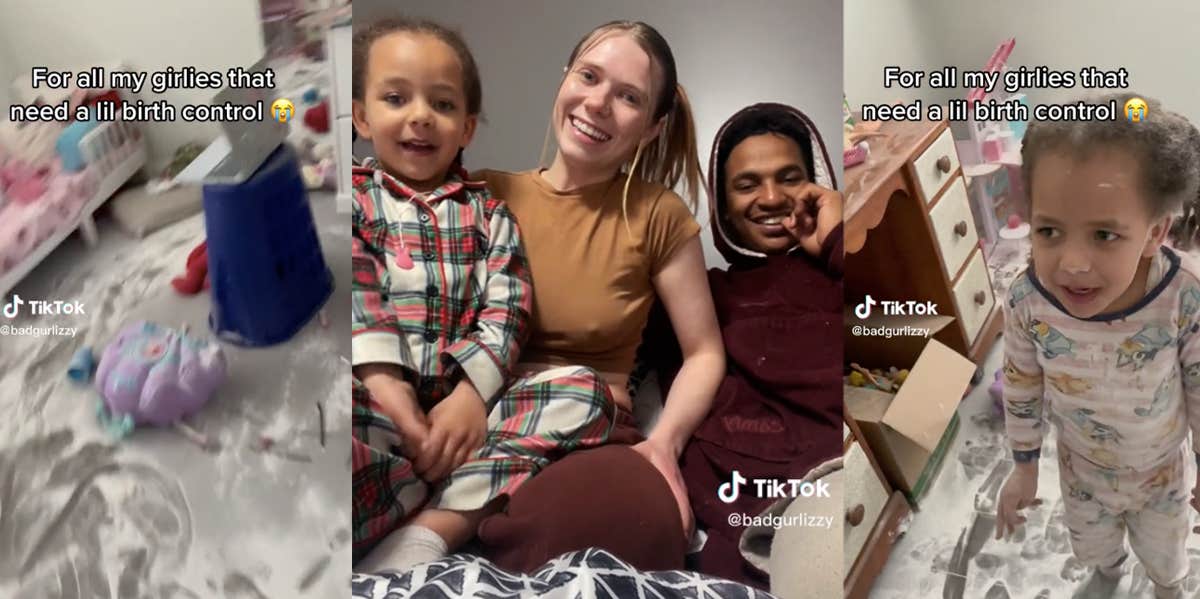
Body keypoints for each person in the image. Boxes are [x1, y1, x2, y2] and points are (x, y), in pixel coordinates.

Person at [348, 17, 614, 574]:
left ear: (467, 128)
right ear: (361, 116)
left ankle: (431, 520)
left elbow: (508, 309)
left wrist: (470, 397)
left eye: (442, 105)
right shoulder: (350, 199)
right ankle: (394, 499)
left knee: (586, 394)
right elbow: (354, 286)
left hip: (464, 415)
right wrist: (389, 392)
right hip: (374, 403)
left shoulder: (490, 214)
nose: (420, 115)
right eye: (396, 98)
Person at [471, 20, 726, 572]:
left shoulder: (658, 215)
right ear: (565, 79)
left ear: (653, 127)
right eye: (589, 76)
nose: (598, 103)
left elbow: (704, 352)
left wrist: (664, 447)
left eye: (628, 97)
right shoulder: (483, 192)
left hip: (588, 434)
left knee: (630, 522)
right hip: (476, 418)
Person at [995, 93, 1200, 599]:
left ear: (1155, 233)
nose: (1072, 264)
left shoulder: (1183, 296)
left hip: (1160, 474)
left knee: (1165, 557)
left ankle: (1166, 587)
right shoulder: (1027, 302)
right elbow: (1020, 387)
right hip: (1081, 468)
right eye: (1049, 231)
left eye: (1104, 234)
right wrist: (1023, 468)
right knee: (1094, 547)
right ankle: (1106, 573)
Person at [641, 103, 844, 587]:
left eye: (790, 178)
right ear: (723, 207)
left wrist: (838, 239)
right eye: (747, 184)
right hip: (760, 508)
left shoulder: (846, 268)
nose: (771, 198)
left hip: (850, 469)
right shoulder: (704, 294)